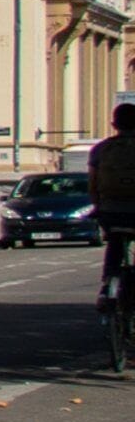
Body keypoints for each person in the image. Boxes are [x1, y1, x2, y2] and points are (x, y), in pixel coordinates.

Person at [89, 101, 135, 304]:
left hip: (111, 211)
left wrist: (98, 207)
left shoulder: (100, 150)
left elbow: (93, 184)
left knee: (115, 243)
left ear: (114, 124)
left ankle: (108, 286)